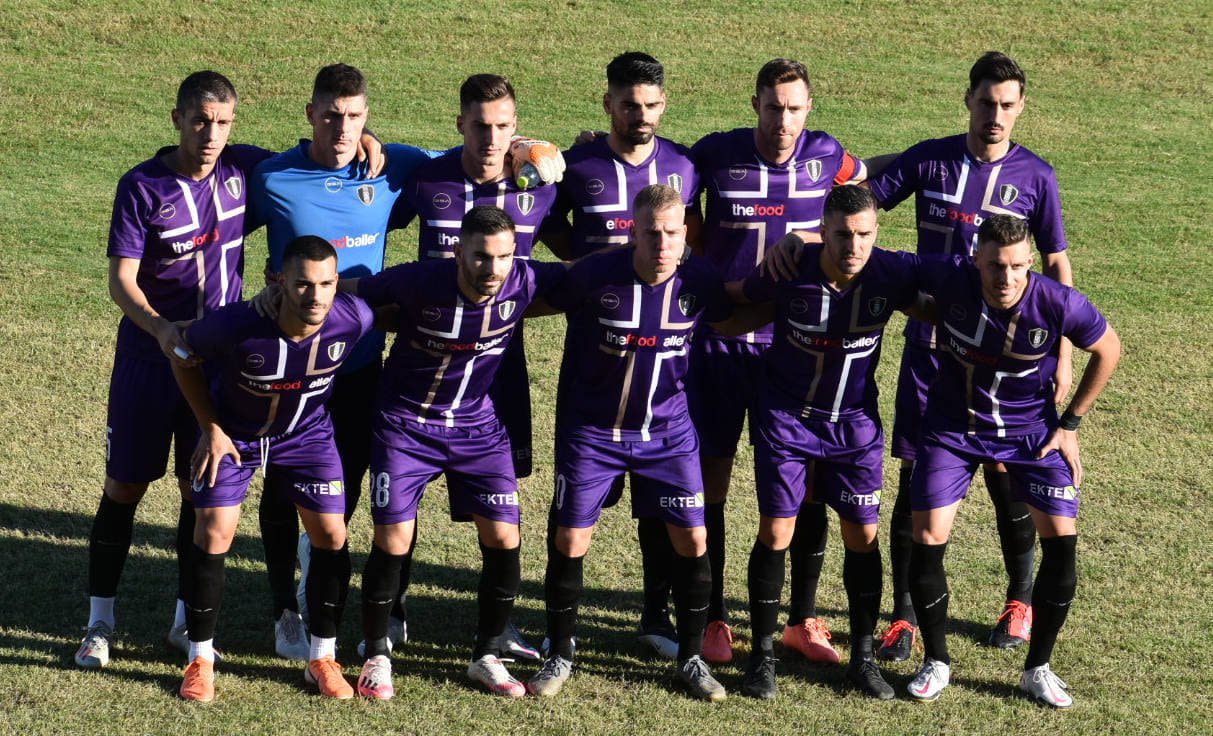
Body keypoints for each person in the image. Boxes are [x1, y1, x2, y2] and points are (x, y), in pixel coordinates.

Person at [250, 65, 553, 661]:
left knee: (371, 492)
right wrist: (261, 292)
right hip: (295, 364)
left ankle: (394, 608)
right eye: (331, 115)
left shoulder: (402, 167)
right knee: (286, 488)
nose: (343, 127)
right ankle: (286, 609)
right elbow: (224, 210)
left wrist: (531, 146)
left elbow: (481, 148)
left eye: (354, 116)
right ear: (310, 114)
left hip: (369, 363)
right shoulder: (278, 177)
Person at [865, 51, 1074, 660]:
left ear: (1021, 107)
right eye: (986, 102)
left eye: (1007, 105)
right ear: (968, 100)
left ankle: (1020, 600)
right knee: (916, 481)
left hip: (1007, 361)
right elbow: (862, 200)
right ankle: (904, 615)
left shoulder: (1036, 176)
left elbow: (1056, 264)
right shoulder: (930, 159)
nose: (995, 116)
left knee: (1010, 478)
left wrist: (1061, 354)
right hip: (933, 352)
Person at [528, 184, 761, 702]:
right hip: (594, 433)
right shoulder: (594, 274)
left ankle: (691, 658)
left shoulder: (700, 279)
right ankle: (560, 652)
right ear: (634, 231)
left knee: (693, 541)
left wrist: (789, 305)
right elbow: (536, 299)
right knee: (571, 541)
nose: (663, 244)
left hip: (668, 435)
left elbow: (731, 320)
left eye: (673, 233)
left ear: (686, 234)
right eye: (652, 233)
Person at [75, 71, 275, 670]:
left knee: (201, 488)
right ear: (177, 119)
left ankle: (186, 622)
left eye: (222, 123)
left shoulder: (243, 170)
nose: (211, 135)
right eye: (200, 121)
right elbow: (121, 279)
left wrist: (366, 141)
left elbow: (312, 160)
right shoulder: (142, 185)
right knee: (125, 487)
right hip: (149, 362)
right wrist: (159, 327)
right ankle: (99, 622)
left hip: (217, 365)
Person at [346, 206, 568, 699]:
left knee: (504, 535)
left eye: (504, 257)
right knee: (394, 538)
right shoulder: (419, 280)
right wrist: (291, 287)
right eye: (482, 257)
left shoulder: (524, 280)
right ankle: (376, 653)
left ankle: (487, 653)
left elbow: (585, 274)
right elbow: (352, 290)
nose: (493, 268)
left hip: (477, 426)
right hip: (405, 424)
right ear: (458, 252)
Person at [687, 58, 867, 664]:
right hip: (719, 344)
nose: (782, 120)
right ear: (755, 105)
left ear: (809, 108)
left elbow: (864, 193)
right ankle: (713, 617)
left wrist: (811, 238)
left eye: (793, 109)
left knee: (807, 482)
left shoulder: (827, 153)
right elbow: (659, 173)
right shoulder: (715, 155)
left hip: (793, 350)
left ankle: (802, 619)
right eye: (772, 107)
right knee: (712, 477)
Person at [904, 214, 1119, 708]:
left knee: (1062, 540)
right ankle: (936, 661)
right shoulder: (949, 276)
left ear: (1030, 263)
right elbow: (880, 268)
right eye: (996, 266)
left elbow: (1109, 349)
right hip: (953, 430)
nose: (1007, 278)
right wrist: (805, 242)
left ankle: (1037, 668)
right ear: (976, 258)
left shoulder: (1058, 301)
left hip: (1031, 435)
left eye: (1018, 267)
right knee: (929, 537)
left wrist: (1070, 425)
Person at [733, 185, 929, 700]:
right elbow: (738, 301)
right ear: (823, 231)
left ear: (877, 233)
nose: (853, 245)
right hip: (787, 421)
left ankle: (863, 659)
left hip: (854, 427)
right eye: (842, 234)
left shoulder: (892, 272)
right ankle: (761, 658)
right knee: (777, 530)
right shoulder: (790, 269)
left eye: (864, 234)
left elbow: (947, 292)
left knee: (863, 535)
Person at [539, 51, 703, 660]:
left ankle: (655, 615)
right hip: (598, 350)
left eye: (651, 105)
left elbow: (696, 232)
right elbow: (545, 220)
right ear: (608, 103)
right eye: (629, 104)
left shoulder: (685, 165)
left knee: (661, 504)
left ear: (664, 105)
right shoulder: (578, 164)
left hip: (666, 345)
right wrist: (586, 265)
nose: (641, 115)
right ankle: (560, 636)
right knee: (577, 512)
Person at [172, 236, 375, 702]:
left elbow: (396, 308)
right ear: (279, 282)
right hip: (235, 437)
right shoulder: (237, 325)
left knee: (332, 534)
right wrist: (210, 427)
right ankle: (200, 660)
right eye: (303, 284)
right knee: (214, 531)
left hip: (307, 437)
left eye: (325, 284)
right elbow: (181, 357)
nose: (315, 296)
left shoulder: (354, 318)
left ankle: (322, 658)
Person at [394, 73, 559, 485]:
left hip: (500, 360)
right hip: (425, 362)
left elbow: (573, 248)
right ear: (460, 125)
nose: (492, 138)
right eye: (480, 126)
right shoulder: (426, 179)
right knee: (405, 490)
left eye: (502, 126)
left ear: (515, 126)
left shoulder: (542, 187)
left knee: (492, 496)